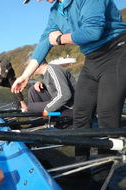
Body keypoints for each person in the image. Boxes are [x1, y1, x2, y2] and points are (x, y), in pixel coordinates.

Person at [12, 0, 126, 129]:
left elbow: (93, 32)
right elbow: (45, 40)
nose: (38, 0)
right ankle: (82, 148)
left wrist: (60, 39)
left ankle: (109, 147)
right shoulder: (55, 11)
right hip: (91, 58)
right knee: (80, 114)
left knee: (106, 114)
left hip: (116, 51)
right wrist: (25, 76)